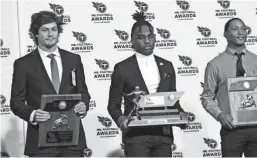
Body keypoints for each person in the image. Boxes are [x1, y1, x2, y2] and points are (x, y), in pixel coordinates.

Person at [10, 11, 91, 157]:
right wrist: (33, 114)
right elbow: (16, 102)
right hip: (41, 144)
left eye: (54, 29)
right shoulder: (23, 64)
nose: (50, 34)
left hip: (72, 140)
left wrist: (83, 105)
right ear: (35, 33)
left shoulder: (74, 59)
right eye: (45, 30)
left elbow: (83, 93)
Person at [107, 11, 187, 157]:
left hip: (163, 134)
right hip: (136, 135)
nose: (147, 41)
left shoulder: (167, 66)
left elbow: (172, 100)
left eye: (150, 37)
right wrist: (120, 119)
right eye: (141, 38)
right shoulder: (122, 68)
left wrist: (181, 114)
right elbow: (113, 104)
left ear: (155, 38)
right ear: (132, 40)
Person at [201, 17, 257, 157]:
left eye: (243, 28)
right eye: (235, 29)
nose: (241, 32)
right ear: (225, 34)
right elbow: (207, 97)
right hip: (232, 129)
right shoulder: (215, 65)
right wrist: (220, 115)